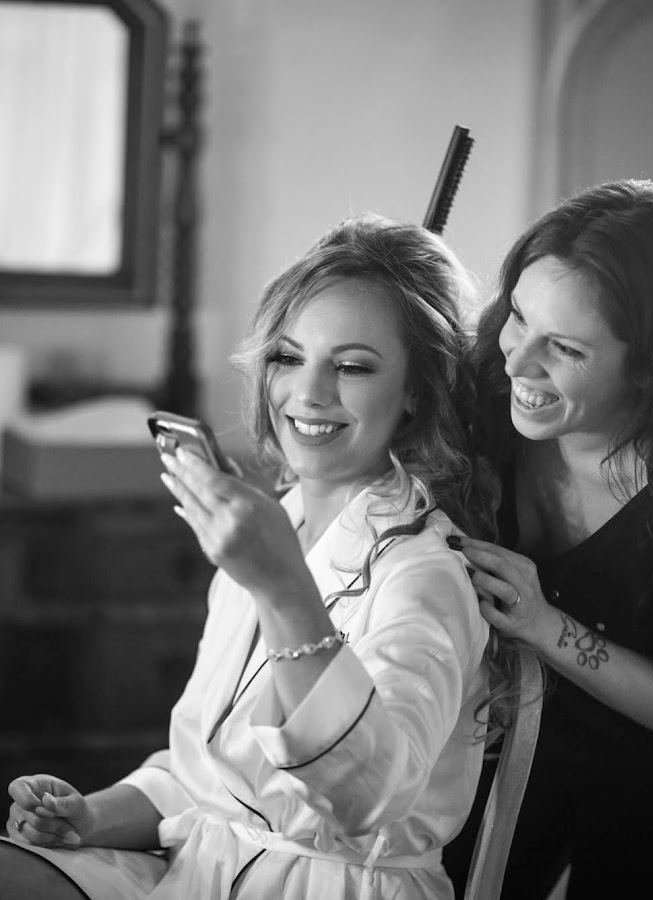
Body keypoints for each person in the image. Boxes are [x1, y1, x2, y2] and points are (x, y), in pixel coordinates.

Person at [2, 214, 509, 900]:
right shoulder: (275, 524)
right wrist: (89, 816)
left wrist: (282, 589)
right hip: (200, 868)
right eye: (288, 357)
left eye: (352, 366)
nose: (308, 392)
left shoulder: (425, 574)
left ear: (418, 390)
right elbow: (205, 776)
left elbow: (369, 794)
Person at [443, 179, 653, 900]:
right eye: (518, 316)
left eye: (565, 348)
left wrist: (542, 624)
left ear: (651, 369)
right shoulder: (489, 390)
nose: (517, 361)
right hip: (536, 718)